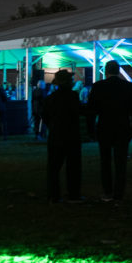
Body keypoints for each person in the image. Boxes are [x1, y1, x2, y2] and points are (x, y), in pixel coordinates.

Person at [88, 61, 132, 201]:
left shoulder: (98, 86)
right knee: (121, 162)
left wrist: (91, 130)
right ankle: (119, 193)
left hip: (104, 127)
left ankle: (107, 191)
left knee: (105, 161)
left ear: (106, 71)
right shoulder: (128, 87)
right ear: (118, 71)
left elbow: (91, 111)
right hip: (122, 128)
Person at [42, 70, 83, 203]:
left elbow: (45, 116)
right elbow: (79, 113)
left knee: (53, 168)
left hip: (55, 136)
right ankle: (73, 194)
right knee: (73, 167)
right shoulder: (73, 97)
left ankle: (53, 195)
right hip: (72, 136)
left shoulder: (50, 98)